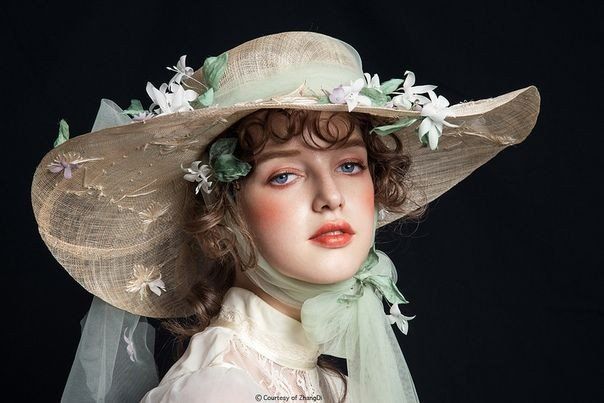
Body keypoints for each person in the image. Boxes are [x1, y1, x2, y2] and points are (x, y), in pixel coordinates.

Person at [31, 31, 540, 402]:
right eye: (283, 176)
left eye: (349, 165)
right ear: (224, 211)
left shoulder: (325, 382)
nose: (331, 197)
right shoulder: (218, 389)